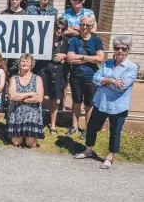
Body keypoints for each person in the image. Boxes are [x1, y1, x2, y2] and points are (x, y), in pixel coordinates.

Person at [74, 36, 138, 169]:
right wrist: (112, 80)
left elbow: (121, 86)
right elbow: (95, 78)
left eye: (123, 48)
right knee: (92, 127)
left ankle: (109, 157)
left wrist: (105, 81)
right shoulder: (107, 63)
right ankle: (88, 150)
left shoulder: (131, 67)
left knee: (115, 131)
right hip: (101, 102)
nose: (120, 51)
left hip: (118, 105)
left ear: (128, 50)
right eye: (117, 48)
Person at [66, 15, 104, 139]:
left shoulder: (96, 40)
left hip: (91, 77)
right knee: (76, 101)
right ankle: (74, 126)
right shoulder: (74, 40)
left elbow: (100, 58)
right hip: (76, 75)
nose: (85, 27)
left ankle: (88, 128)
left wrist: (82, 57)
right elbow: (70, 58)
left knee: (89, 104)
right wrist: (89, 59)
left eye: (87, 25)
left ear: (92, 26)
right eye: (82, 25)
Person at [37, 18, 70, 134]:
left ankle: (53, 125)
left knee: (55, 99)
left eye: (62, 29)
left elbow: (70, 55)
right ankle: (38, 121)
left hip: (59, 71)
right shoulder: (45, 38)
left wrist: (64, 55)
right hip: (44, 70)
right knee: (40, 97)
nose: (59, 30)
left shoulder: (66, 40)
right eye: (57, 27)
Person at [6, 54, 44, 148]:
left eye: (27, 61)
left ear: (31, 64)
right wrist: (29, 94)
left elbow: (39, 98)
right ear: (19, 64)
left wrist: (20, 98)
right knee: (16, 143)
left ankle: (30, 137)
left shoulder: (37, 79)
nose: (25, 63)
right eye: (23, 61)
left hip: (32, 113)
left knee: (30, 144)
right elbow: (12, 96)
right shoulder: (14, 78)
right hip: (16, 113)